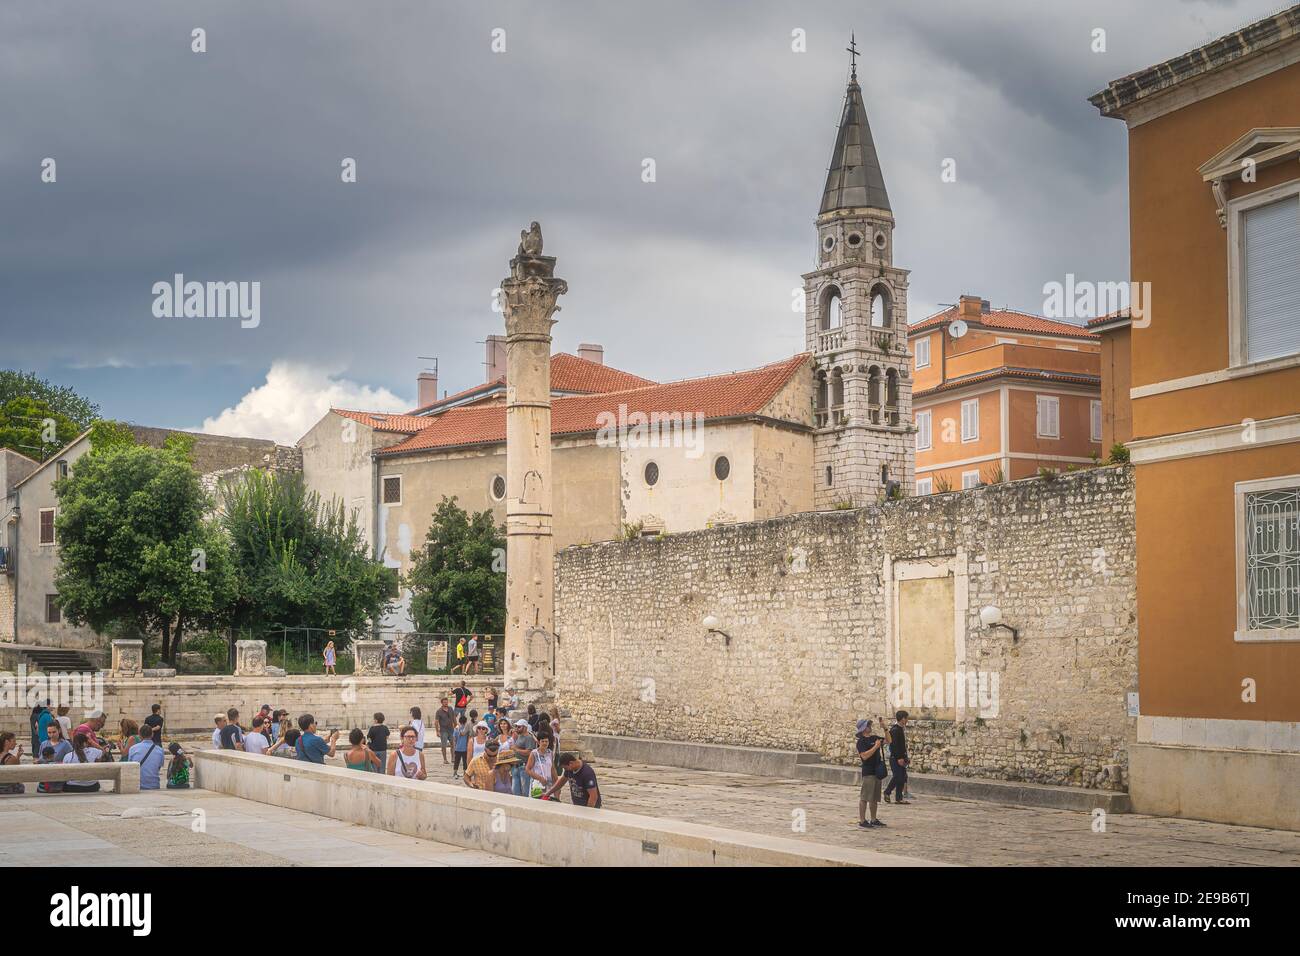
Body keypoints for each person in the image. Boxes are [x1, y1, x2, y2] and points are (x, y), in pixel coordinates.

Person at [855, 719, 887, 829]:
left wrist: (885, 728)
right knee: (865, 797)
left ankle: (873, 819)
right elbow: (864, 756)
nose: (870, 726)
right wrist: (875, 747)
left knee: (874, 798)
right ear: (864, 728)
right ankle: (862, 820)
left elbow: (889, 740)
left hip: (877, 771)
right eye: (868, 725)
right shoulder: (861, 742)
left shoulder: (874, 738)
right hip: (868, 771)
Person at [883, 711, 910, 805]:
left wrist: (905, 757)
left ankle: (899, 798)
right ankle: (887, 792)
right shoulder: (895, 730)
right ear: (903, 719)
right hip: (895, 758)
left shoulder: (900, 729)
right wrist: (899, 758)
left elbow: (902, 746)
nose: (907, 720)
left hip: (901, 757)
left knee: (902, 777)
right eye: (906, 718)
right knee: (897, 776)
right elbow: (894, 745)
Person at [509, 719, 537, 797]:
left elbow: (529, 752)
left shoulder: (528, 738)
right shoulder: (520, 736)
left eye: (519, 727)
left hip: (523, 767)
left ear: (525, 727)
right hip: (516, 766)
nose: (517, 728)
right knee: (515, 792)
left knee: (525, 791)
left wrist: (516, 749)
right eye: (516, 726)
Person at [525, 733, 556, 798]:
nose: (545, 743)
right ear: (539, 742)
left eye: (546, 741)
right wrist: (540, 778)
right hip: (537, 783)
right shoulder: (534, 753)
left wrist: (556, 781)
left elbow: (552, 768)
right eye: (542, 741)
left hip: (549, 784)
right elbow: (527, 769)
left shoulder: (550, 753)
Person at [433, 698, 455, 765]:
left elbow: (454, 718)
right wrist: (437, 731)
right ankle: (445, 759)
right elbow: (436, 722)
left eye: (446, 702)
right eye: (444, 702)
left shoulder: (450, 709)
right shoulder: (439, 711)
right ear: (442, 703)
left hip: (451, 730)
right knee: (444, 745)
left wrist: (456, 726)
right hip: (443, 730)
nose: (446, 703)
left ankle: (453, 758)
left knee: (453, 744)